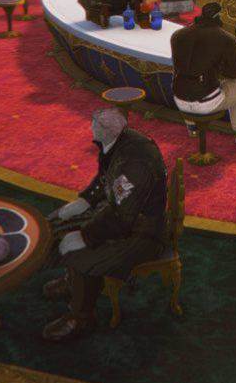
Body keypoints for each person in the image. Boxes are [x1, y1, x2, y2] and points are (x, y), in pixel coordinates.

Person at [43, 107, 168, 341]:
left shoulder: (135, 162)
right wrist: (85, 201)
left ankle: (81, 318)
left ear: (106, 130)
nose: (91, 128)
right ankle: (75, 283)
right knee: (66, 226)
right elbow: (104, 179)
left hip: (143, 234)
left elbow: (122, 216)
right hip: (124, 218)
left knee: (80, 253)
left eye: (95, 125)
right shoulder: (118, 142)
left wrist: (85, 236)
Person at [169, 1, 236, 140]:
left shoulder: (178, 35)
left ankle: (192, 127)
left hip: (179, 97)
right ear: (219, 16)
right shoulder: (226, 39)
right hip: (205, 102)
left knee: (188, 82)